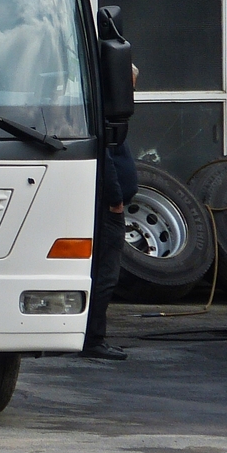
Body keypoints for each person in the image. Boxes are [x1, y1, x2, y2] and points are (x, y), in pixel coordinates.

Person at [82, 64, 140, 360]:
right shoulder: (102, 114)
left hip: (110, 206)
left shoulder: (112, 115)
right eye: (131, 85)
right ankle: (93, 339)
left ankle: (91, 337)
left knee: (105, 274)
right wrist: (115, 199)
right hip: (107, 210)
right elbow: (105, 161)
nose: (134, 91)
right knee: (104, 275)